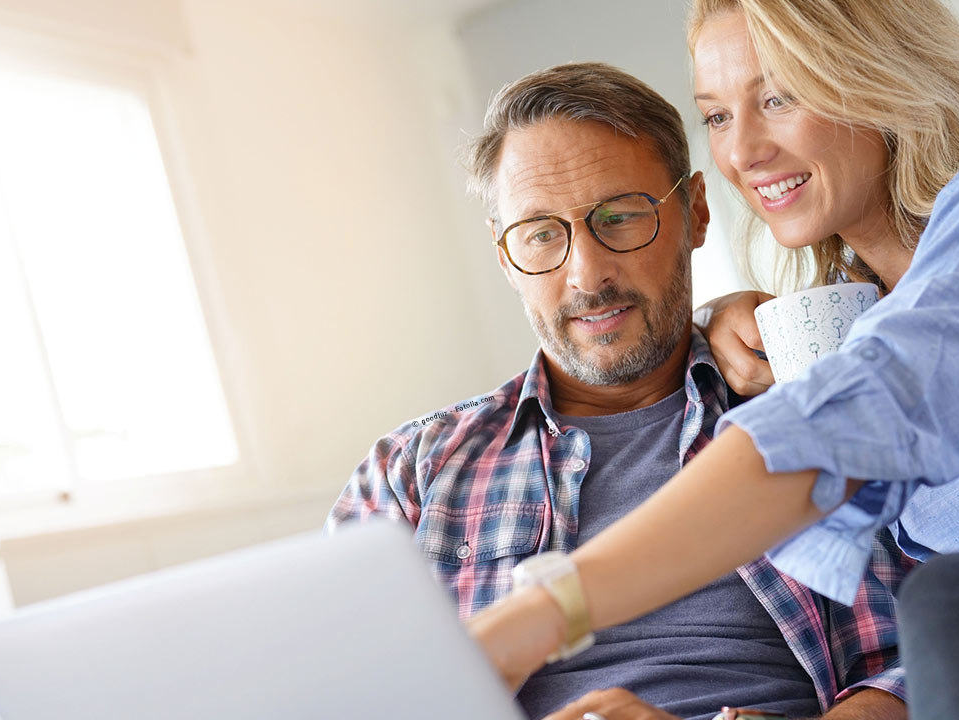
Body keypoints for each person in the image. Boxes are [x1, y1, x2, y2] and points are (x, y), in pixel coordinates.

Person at [468, 1, 959, 719]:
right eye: (718, 116)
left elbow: (860, 413)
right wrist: (709, 323)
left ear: (878, 77)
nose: (741, 151)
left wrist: (546, 609)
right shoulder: (844, 311)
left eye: (780, 98)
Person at [326, 62, 914, 720]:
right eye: (542, 234)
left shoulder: (805, 408)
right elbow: (342, 695)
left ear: (694, 212)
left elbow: (915, 666)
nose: (587, 274)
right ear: (503, 255)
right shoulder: (407, 474)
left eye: (621, 217)